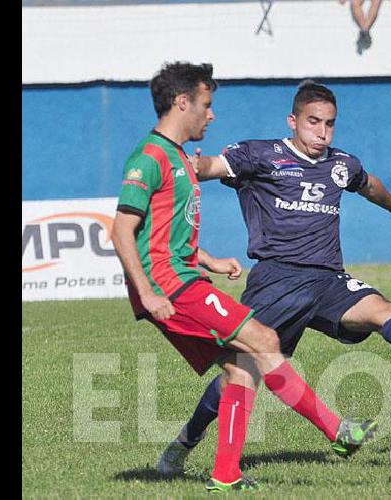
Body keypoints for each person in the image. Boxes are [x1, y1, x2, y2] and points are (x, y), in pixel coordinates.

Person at [155, 79, 391, 476]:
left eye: (329, 124)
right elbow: (212, 166)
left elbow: (368, 184)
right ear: (293, 120)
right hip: (277, 283)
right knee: (241, 373)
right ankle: (183, 446)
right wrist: (193, 165)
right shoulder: (261, 155)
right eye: (313, 122)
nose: (322, 132)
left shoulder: (340, 165)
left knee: (383, 310)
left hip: (328, 281)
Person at [112, 62, 377, 493]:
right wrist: (147, 291)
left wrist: (210, 260)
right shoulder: (151, 157)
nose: (211, 115)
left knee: (241, 368)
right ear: (183, 103)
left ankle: (224, 474)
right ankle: (337, 431)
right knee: (264, 341)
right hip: (170, 288)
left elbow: (160, 235)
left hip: (180, 279)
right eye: (206, 105)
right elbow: (123, 229)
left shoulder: (179, 158)